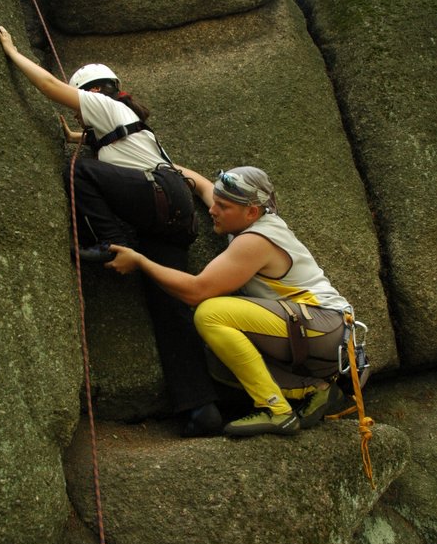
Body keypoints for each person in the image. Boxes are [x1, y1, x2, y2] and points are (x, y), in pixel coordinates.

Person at [0, 25, 221, 438]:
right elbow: (117, 150)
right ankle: (201, 408)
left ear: (94, 92)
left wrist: (11, 51)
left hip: (154, 202)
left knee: (79, 170)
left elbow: (47, 84)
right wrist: (77, 135)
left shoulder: (103, 105)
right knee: (169, 308)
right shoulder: (125, 125)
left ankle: (115, 242)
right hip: (172, 213)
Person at [106, 166, 351, 437]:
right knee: (218, 360)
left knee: (210, 313)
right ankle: (316, 390)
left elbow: (197, 291)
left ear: (251, 212)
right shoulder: (245, 216)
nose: (213, 210)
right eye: (217, 203)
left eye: (222, 206)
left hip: (326, 326)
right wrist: (156, 163)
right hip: (312, 333)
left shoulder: (257, 240)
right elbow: (201, 186)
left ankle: (277, 410)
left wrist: (141, 261)